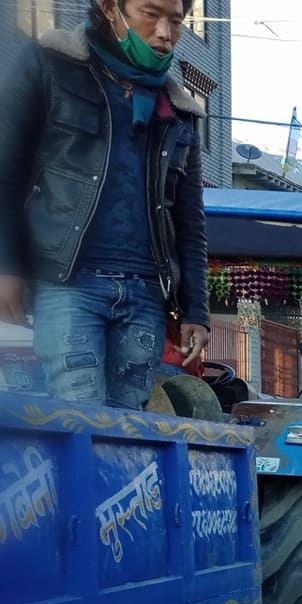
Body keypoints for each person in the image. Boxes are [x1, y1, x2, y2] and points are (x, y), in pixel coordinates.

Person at [0, 1, 210, 408]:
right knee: (81, 418)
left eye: (176, 21)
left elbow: (190, 222)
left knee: (127, 429)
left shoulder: (181, 111)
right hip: (68, 285)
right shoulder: (49, 67)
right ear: (111, 7)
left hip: (146, 294)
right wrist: (6, 263)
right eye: (150, 13)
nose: (165, 33)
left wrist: (196, 311)